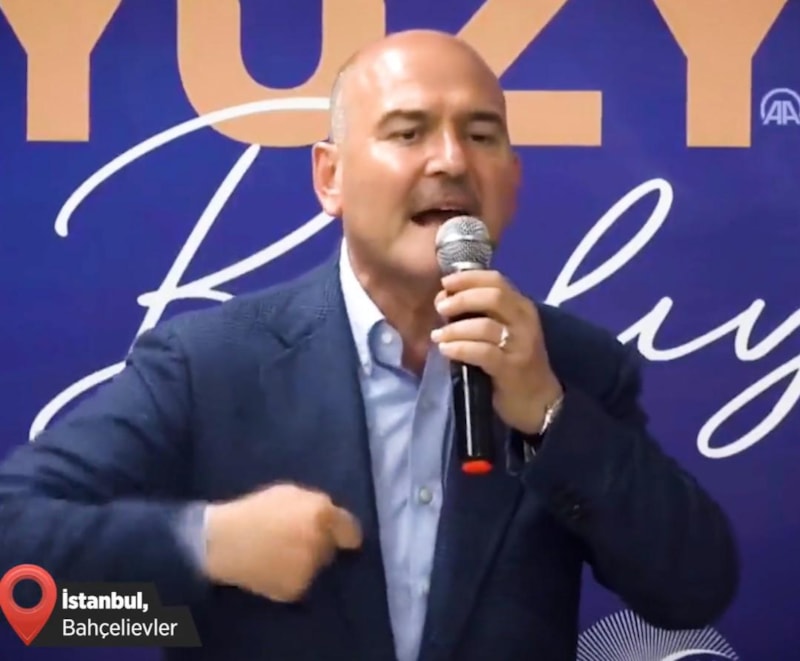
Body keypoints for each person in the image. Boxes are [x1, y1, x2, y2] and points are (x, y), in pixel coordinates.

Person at [0, 29, 737, 661]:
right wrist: (208, 547)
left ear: (512, 181)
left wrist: (550, 416)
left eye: (482, 135)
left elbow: (694, 591)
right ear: (331, 177)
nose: (451, 161)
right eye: (408, 133)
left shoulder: (574, 365)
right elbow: (22, 574)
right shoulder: (208, 366)